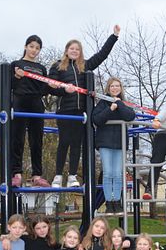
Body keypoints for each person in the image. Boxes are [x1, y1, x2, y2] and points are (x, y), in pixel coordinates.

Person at [49, 25, 120, 188]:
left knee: (77, 143)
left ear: (80, 52)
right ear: (67, 50)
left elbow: (102, 55)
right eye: (72, 48)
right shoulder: (58, 66)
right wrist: (63, 88)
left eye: (77, 49)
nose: (74, 51)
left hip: (82, 112)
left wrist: (114, 36)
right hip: (65, 110)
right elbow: (50, 85)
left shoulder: (85, 66)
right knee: (64, 142)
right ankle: (58, 176)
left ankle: (73, 175)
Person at [10, 35, 54, 188]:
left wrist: (51, 87)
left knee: (37, 140)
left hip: (36, 103)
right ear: (25, 46)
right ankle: (16, 173)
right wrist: (16, 76)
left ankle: (37, 175)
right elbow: (9, 85)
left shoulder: (41, 68)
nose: (34, 50)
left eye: (37, 48)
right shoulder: (16, 64)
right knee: (17, 138)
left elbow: (43, 89)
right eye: (31, 46)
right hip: (20, 101)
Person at [93, 77, 136, 213]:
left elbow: (130, 116)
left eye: (117, 86)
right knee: (108, 173)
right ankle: (108, 202)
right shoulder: (103, 103)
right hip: (105, 142)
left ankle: (117, 201)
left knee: (118, 173)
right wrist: (110, 109)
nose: (115, 88)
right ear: (108, 88)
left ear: (121, 88)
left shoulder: (123, 103)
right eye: (112, 86)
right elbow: (96, 119)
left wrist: (119, 105)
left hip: (120, 143)